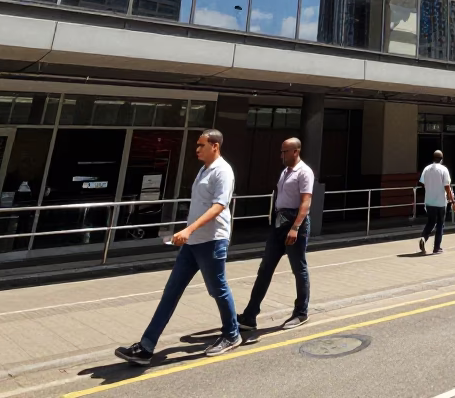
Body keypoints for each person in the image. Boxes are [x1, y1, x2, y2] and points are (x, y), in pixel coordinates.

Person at [116, 130, 239, 365]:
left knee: (218, 289)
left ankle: (232, 334)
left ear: (215, 146)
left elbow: (219, 206)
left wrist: (189, 230)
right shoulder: (203, 170)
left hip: (212, 241)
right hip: (192, 244)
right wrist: (187, 233)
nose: (197, 149)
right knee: (171, 291)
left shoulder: (223, 171)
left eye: (201, 145)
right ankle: (146, 347)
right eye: (197, 145)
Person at [239, 138, 315, 336]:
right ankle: (250, 316)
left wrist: (295, 227)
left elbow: (305, 202)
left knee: (299, 269)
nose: (281, 155)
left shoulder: (304, 172)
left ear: (296, 151)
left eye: (285, 151)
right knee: (265, 268)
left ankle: (301, 312)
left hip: (295, 223)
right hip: (279, 222)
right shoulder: (285, 172)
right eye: (281, 151)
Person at [418, 150, 455, 254]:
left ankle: (424, 238)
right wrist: (452, 201)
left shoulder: (426, 169)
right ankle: (436, 248)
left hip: (429, 201)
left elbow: (423, 184)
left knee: (431, 222)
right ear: (441, 159)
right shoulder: (444, 169)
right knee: (440, 224)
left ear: (433, 158)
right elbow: (447, 187)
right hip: (440, 202)